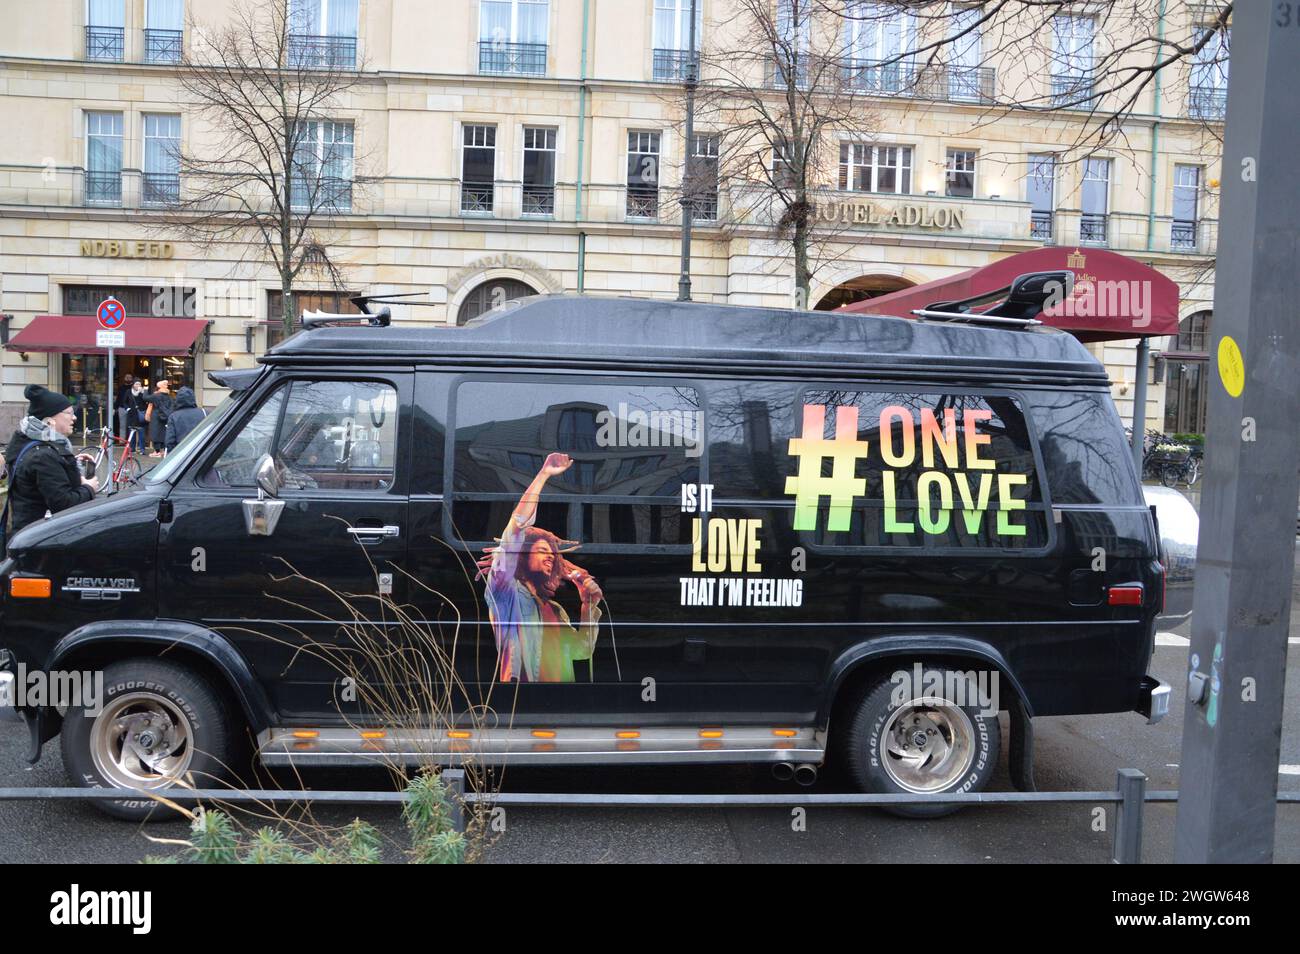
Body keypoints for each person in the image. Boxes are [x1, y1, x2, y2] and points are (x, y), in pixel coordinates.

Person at [478, 452, 603, 683]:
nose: (549, 558)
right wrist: (544, 474)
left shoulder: (555, 609)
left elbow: (581, 651)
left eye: (552, 555)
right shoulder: (507, 595)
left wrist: (587, 606)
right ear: (523, 557)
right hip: (526, 698)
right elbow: (516, 530)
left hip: (561, 705)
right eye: (542, 551)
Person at [3, 385, 99, 536]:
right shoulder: (43, 456)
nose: (74, 417)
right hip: (40, 540)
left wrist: (69, 464)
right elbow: (63, 504)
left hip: (30, 533)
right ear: (49, 421)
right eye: (69, 413)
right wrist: (89, 488)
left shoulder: (31, 445)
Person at [163, 386, 205, 453]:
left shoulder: (174, 416)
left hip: (182, 454)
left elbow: (170, 441)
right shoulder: (204, 412)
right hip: (201, 452)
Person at [124, 379, 148, 453]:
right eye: (136, 384)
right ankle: (132, 448)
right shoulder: (128, 391)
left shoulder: (143, 392)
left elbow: (146, 401)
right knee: (132, 433)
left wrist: (143, 393)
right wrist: (128, 409)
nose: (138, 386)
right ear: (133, 385)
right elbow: (124, 401)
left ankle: (142, 449)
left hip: (140, 414)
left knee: (142, 433)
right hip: (131, 414)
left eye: (139, 384)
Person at [114, 374, 135, 441]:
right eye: (127, 377)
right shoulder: (121, 388)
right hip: (122, 408)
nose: (128, 379)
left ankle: (130, 442)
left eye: (130, 377)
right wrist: (115, 407)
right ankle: (122, 441)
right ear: (124, 378)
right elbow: (118, 398)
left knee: (131, 426)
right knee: (122, 426)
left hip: (131, 409)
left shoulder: (133, 388)